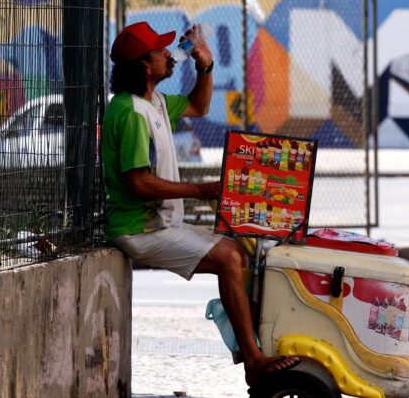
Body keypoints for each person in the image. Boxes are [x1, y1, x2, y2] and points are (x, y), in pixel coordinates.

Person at [102, 22, 299, 386]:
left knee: (242, 252)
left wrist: (204, 65)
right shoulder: (131, 112)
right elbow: (137, 181)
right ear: (145, 66)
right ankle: (254, 362)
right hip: (139, 229)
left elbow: (198, 104)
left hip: (160, 223)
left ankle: (250, 346)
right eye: (160, 51)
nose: (168, 53)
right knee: (229, 259)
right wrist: (200, 191)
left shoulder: (154, 101)